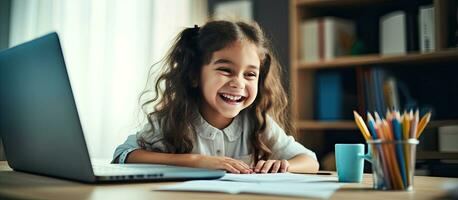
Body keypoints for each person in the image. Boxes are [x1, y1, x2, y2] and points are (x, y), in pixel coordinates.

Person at [113, 20, 319, 174]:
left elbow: (310, 161)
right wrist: (195, 160)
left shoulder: (258, 123)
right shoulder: (174, 120)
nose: (238, 83)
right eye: (226, 70)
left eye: (250, 74)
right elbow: (123, 155)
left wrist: (285, 165)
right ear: (195, 74)